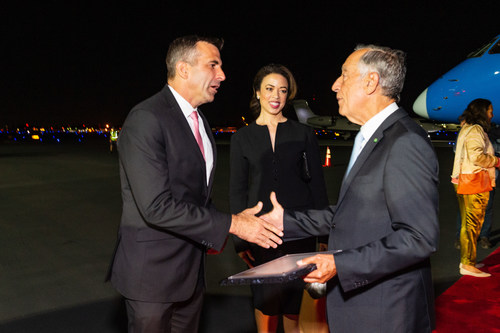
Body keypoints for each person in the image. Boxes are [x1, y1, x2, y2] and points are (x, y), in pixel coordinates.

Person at [106, 35, 283, 333]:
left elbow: (195, 196)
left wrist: (220, 229)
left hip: (190, 275)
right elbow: (156, 207)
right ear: (184, 69)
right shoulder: (146, 118)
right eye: (213, 65)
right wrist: (233, 224)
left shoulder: (199, 121)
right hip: (151, 278)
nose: (222, 75)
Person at [262, 44, 440, 332]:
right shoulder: (374, 137)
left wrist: (340, 264)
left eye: (344, 75)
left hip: (386, 314)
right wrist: (284, 221)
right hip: (361, 307)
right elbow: (353, 213)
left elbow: (418, 237)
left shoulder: (405, 142)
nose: (335, 85)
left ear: (371, 82)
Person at [229, 64, 329, 332]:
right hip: (261, 232)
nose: (276, 95)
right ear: (258, 93)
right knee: (266, 304)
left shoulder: (304, 133)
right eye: (270, 89)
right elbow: (237, 190)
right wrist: (241, 240)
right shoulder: (242, 137)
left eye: (283, 90)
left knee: (296, 305)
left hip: (301, 230)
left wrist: (323, 236)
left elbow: (317, 185)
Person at [451, 98, 498, 277]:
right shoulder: (476, 130)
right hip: (474, 181)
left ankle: (468, 260)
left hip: (463, 180)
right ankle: (467, 264)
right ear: (481, 111)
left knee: (467, 225)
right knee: (472, 225)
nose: (492, 114)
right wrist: (497, 161)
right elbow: (477, 156)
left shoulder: (467, 127)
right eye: (490, 110)